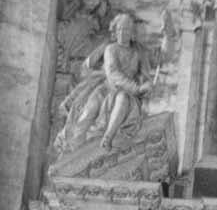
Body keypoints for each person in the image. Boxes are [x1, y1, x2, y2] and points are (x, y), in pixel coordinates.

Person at [57, 12, 152, 153]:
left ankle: (108, 138)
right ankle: (74, 146)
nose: (122, 33)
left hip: (128, 94)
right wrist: (136, 88)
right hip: (107, 89)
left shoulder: (138, 53)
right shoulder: (110, 49)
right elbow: (113, 74)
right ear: (115, 31)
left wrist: (147, 85)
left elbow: (148, 74)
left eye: (126, 29)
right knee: (89, 110)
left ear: (132, 33)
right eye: (119, 29)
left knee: (122, 99)